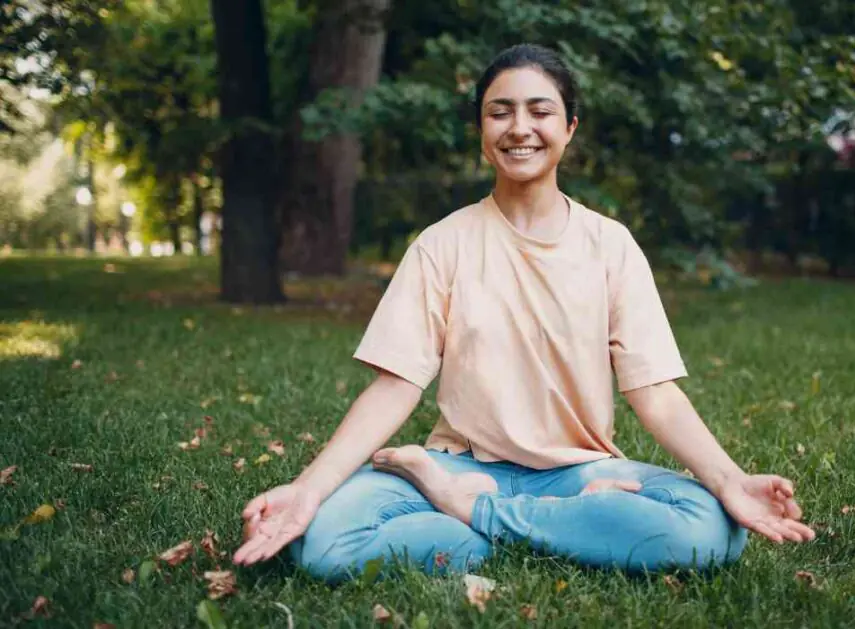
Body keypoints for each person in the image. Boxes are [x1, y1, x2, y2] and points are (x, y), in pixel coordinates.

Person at [232, 43, 815, 582]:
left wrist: (730, 481)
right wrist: (308, 489)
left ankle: (477, 516)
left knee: (710, 531)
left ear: (569, 127)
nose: (519, 129)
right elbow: (393, 387)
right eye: (499, 112)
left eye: (539, 111)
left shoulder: (610, 245)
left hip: (577, 472)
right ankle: (542, 523)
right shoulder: (443, 243)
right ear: (482, 130)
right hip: (458, 463)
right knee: (323, 542)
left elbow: (655, 392)